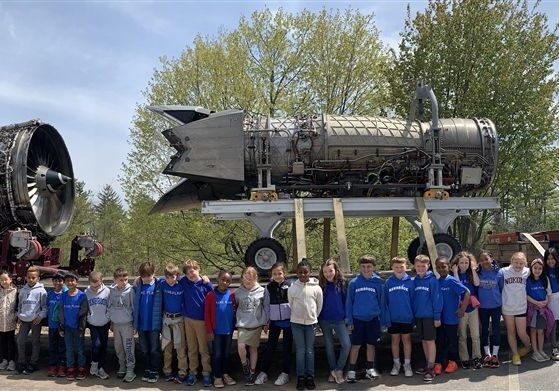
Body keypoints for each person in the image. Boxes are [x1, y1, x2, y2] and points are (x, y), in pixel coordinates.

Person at [346, 255, 383, 383]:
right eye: (363, 267)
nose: (366, 269)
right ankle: (351, 371)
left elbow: (381, 302)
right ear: (360, 267)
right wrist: (349, 321)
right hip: (357, 320)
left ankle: (369, 369)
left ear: (373, 267)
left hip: (373, 319)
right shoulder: (354, 283)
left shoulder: (378, 282)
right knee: (355, 345)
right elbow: (349, 303)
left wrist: (382, 321)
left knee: (371, 344)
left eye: (369, 266)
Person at [256, 262, 292, 386]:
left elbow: (294, 303)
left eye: (280, 273)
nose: (277, 276)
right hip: (275, 322)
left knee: (287, 348)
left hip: (289, 322)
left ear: (284, 274)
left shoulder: (290, 285)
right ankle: (264, 372)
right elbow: (266, 305)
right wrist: (266, 322)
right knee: (270, 347)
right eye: (275, 274)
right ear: (271, 275)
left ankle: (285, 373)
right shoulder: (269, 287)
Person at [289, 259, 323, 391]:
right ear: (297, 273)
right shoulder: (292, 288)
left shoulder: (317, 288)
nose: (303, 275)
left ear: (310, 273)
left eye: (305, 272)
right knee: (300, 351)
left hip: (311, 324)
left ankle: (310, 377)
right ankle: (300, 377)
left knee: (309, 351)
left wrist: (313, 317)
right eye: (300, 272)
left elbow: (319, 306)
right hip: (296, 323)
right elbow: (291, 304)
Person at [180, 259, 213, 387]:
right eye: (188, 272)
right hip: (188, 320)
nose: (190, 273)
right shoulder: (184, 282)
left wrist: (208, 281)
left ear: (198, 269)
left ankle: (206, 373)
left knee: (203, 349)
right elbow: (168, 277)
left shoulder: (205, 284)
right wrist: (140, 278)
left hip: (201, 321)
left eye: (193, 270)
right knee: (192, 348)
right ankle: (192, 372)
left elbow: (212, 295)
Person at [435, 256, 470, 375]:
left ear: (449, 267)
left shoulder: (452, 280)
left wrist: (462, 308)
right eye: (438, 267)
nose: (441, 269)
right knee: (440, 341)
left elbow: (467, 292)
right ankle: (440, 363)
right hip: (440, 318)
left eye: (443, 266)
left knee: (451, 341)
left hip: (451, 318)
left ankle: (453, 362)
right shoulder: (437, 281)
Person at [318, 258, 351, 384]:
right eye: (325, 272)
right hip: (324, 319)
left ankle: (339, 369)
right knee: (329, 346)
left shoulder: (343, 283)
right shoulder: (320, 285)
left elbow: (346, 302)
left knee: (346, 344)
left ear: (336, 270)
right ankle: (332, 370)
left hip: (340, 319)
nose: (328, 274)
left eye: (330, 271)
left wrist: (348, 318)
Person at [381, 256, 414, 377]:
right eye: (396, 267)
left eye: (401, 267)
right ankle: (396, 364)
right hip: (393, 318)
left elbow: (413, 301)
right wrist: (386, 319)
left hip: (406, 318)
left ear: (406, 267)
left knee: (406, 340)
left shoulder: (410, 282)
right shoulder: (389, 282)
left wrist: (412, 318)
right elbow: (385, 303)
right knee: (395, 340)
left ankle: (407, 364)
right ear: (392, 268)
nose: (399, 269)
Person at [235, 266, 268, 385]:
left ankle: (252, 372)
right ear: (242, 277)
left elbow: (265, 307)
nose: (248, 279)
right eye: (246, 276)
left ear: (255, 277)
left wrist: (265, 322)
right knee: (241, 346)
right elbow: (236, 305)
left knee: (253, 349)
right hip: (243, 324)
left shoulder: (262, 291)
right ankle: (245, 364)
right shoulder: (238, 292)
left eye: (251, 276)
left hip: (256, 324)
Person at [204, 270, 237, 388]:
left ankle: (225, 374)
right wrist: (209, 331)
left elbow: (235, 311)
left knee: (226, 354)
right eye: (223, 279)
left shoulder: (232, 295)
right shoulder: (211, 295)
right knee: (217, 354)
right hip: (216, 332)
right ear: (218, 279)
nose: (225, 282)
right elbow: (207, 315)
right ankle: (217, 376)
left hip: (228, 331)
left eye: (228, 281)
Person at [412, 254, 442, 382]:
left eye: (423, 266)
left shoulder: (432, 280)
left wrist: (437, 316)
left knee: (430, 341)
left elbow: (437, 299)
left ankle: (431, 367)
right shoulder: (414, 281)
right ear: (414, 266)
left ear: (428, 266)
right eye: (418, 266)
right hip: (418, 316)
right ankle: (427, 363)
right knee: (423, 340)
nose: (420, 268)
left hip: (430, 316)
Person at [133, 261, 162, 383]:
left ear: (153, 274)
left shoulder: (159, 285)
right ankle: (147, 369)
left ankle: (155, 370)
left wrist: (203, 277)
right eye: (143, 276)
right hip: (141, 324)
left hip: (154, 324)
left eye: (148, 276)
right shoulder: (138, 285)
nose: (145, 278)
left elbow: (175, 276)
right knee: (144, 349)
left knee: (154, 349)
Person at [452, 251, 482, 369]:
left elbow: (477, 283)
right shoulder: (454, 274)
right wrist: (455, 272)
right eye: (461, 263)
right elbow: (458, 287)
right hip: (461, 308)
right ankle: (464, 358)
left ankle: (476, 357)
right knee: (462, 335)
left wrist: (473, 269)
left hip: (472, 308)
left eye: (466, 262)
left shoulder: (471, 274)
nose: (464, 265)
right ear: (457, 264)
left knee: (475, 335)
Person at [502, 252, 532, 365]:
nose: (519, 266)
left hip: (521, 307)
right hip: (507, 307)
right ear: (511, 261)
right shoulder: (504, 271)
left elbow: (539, 272)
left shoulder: (527, 271)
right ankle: (515, 354)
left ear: (525, 263)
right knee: (511, 332)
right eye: (516, 263)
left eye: (521, 263)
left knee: (522, 332)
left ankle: (529, 347)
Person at [16, 266, 47, 374]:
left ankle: (33, 363)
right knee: (20, 341)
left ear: (38, 278)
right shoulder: (22, 290)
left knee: (35, 341)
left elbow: (44, 307)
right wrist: (19, 315)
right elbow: (19, 305)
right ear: (26, 277)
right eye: (29, 277)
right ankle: (21, 362)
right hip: (24, 320)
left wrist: (40, 316)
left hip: (35, 320)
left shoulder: (41, 291)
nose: (31, 279)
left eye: (33, 277)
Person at [59, 272, 89, 381]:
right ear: (65, 283)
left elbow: (84, 311)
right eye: (67, 281)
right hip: (67, 328)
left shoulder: (82, 296)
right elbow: (61, 311)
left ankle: (81, 368)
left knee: (80, 349)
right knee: (69, 349)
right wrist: (61, 326)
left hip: (78, 328)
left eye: (72, 280)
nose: (70, 283)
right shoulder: (63, 295)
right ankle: (70, 368)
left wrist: (81, 327)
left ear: (77, 282)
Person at [160, 263, 187, 383]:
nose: (170, 279)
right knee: (167, 348)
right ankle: (167, 371)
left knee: (180, 347)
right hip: (167, 319)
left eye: (173, 277)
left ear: (177, 276)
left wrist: (204, 278)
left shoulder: (181, 285)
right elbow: (150, 279)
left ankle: (182, 372)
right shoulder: (162, 284)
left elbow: (192, 278)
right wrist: (139, 278)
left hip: (179, 320)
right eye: (168, 277)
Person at [108, 267, 136, 382]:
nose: (124, 282)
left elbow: (134, 307)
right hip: (116, 324)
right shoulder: (111, 291)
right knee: (118, 348)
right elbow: (109, 306)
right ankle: (122, 366)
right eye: (121, 279)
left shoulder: (130, 290)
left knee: (128, 347)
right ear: (115, 280)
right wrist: (111, 322)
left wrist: (135, 325)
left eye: (125, 279)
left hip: (127, 324)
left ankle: (130, 369)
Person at [477, 250, 503, 368]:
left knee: (496, 329)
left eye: (486, 259)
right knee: (485, 330)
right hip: (483, 307)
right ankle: (487, 354)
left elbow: (501, 288)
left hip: (496, 306)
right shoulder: (478, 273)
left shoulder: (499, 273)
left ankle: (495, 355)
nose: (484, 262)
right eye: (482, 260)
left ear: (491, 259)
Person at [526, 258, 554, 362]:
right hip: (533, 308)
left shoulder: (544, 279)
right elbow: (526, 295)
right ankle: (535, 352)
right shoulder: (527, 280)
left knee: (541, 331)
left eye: (540, 268)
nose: (537, 270)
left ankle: (541, 350)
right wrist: (536, 302)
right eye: (535, 268)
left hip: (542, 309)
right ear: (531, 268)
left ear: (543, 269)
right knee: (533, 330)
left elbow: (548, 292)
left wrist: (545, 301)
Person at [86, 271, 111, 379]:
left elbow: (110, 306)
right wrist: (89, 317)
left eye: (97, 286)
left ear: (102, 281)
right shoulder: (87, 292)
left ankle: (101, 368)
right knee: (96, 345)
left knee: (103, 346)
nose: (95, 288)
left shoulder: (107, 292)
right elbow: (85, 307)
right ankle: (94, 364)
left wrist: (107, 317)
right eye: (93, 286)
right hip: (93, 323)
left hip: (104, 323)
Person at [46, 272, 67, 377]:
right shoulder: (49, 294)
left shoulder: (66, 293)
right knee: (52, 346)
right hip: (52, 325)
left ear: (63, 282)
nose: (58, 283)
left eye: (60, 281)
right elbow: (46, 307)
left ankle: (62, 366)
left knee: (62, 346)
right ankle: (52, 365)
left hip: (62, 326)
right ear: (52, 282)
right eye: (56, 281)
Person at [543, 247, 559, 360]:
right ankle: (554, 348)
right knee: (553, 324)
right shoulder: (544, 271)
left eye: (552, 258)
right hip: (551, 300)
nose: (550, 261)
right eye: (548, 259)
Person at [0, 270, 17, 372]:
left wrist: (15, 316)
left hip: (11, 322)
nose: (3, 282)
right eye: (1, 280)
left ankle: (12, 361)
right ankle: (4, 360)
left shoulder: (16, 291)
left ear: (10, 279)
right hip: (1, 322)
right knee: (2, 342)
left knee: (11, 342)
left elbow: (18, 306)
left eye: (5, 279)